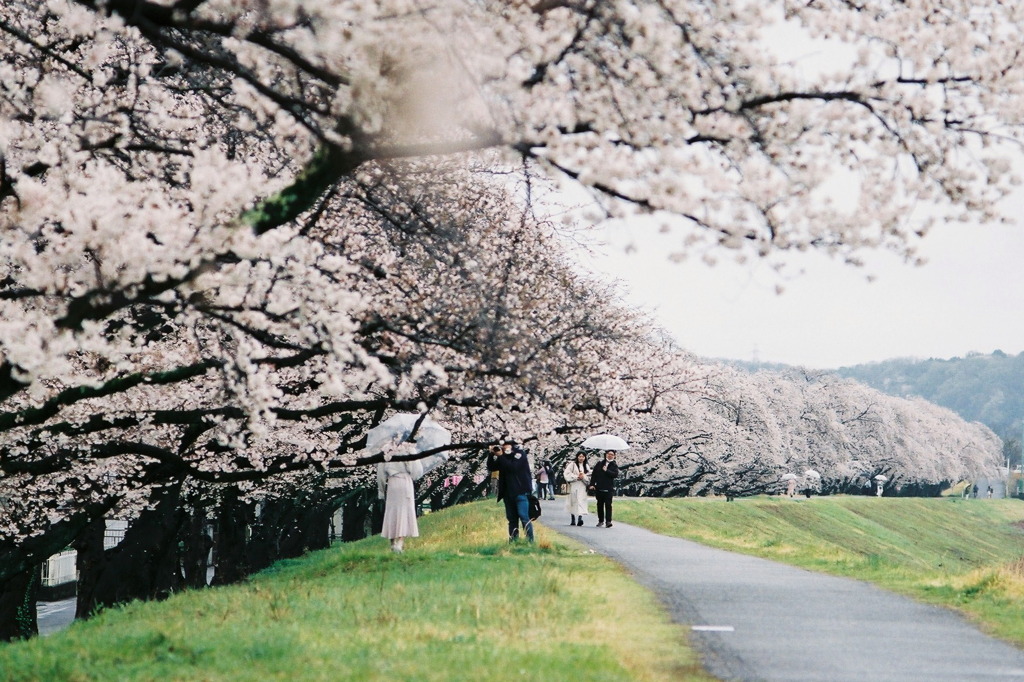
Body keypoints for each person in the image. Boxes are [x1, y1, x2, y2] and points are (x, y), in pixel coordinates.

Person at [377, 451, 447, 552]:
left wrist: (382, 491)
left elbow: (380, 474)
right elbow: (417, 470)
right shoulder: (409, 449)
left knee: (391, 512)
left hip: (392, 482)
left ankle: (392, 543)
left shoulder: (387, 449)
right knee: (404, 512)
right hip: (406, 482)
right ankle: (400, 542)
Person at [487, 441, 535, 542]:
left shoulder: (519, 454)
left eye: (505, 445)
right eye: (502, 445)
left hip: (520, 492)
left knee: (524, 517)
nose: (503, 447)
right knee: (512, 519)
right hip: (507, 493)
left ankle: (530, 541)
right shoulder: (503, 457)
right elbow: (491, 467)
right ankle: (513, 541)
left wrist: (500, 456)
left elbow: (513, 468)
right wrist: (491, 454)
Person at [589, 450, 620, 527]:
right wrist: (592, 484)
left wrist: (607, 471)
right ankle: (600, 520)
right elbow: (594, 474)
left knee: (608, 505)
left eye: (612, 454)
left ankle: (608, 521)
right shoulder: (600, 463)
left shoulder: (614, 465)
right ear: (606, 454)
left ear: (614, 456)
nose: (610, 456)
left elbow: (615, 474)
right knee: (599, 504)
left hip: (609, 488)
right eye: (609, 454)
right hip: (599, 486)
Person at [563, 452, 590, 526]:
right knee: (573, 501)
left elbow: (589, 476)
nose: (581, 458)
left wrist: (583, 477)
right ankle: (573, 518)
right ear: (577, 457)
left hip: (582, 485)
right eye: (580, 456)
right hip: (574, 485)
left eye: (583, 456)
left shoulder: (586, 466)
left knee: (581, 500)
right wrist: (576, 477)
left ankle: (580, 518)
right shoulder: (572, 465)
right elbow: (566, 473)